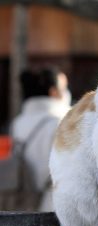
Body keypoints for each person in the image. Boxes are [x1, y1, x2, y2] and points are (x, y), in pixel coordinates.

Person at [9, 66, 71, 211]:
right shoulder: (61, 122)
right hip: (54, 206)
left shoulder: (17, 123)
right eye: (65, 87)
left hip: (21, 201)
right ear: (53, 92)